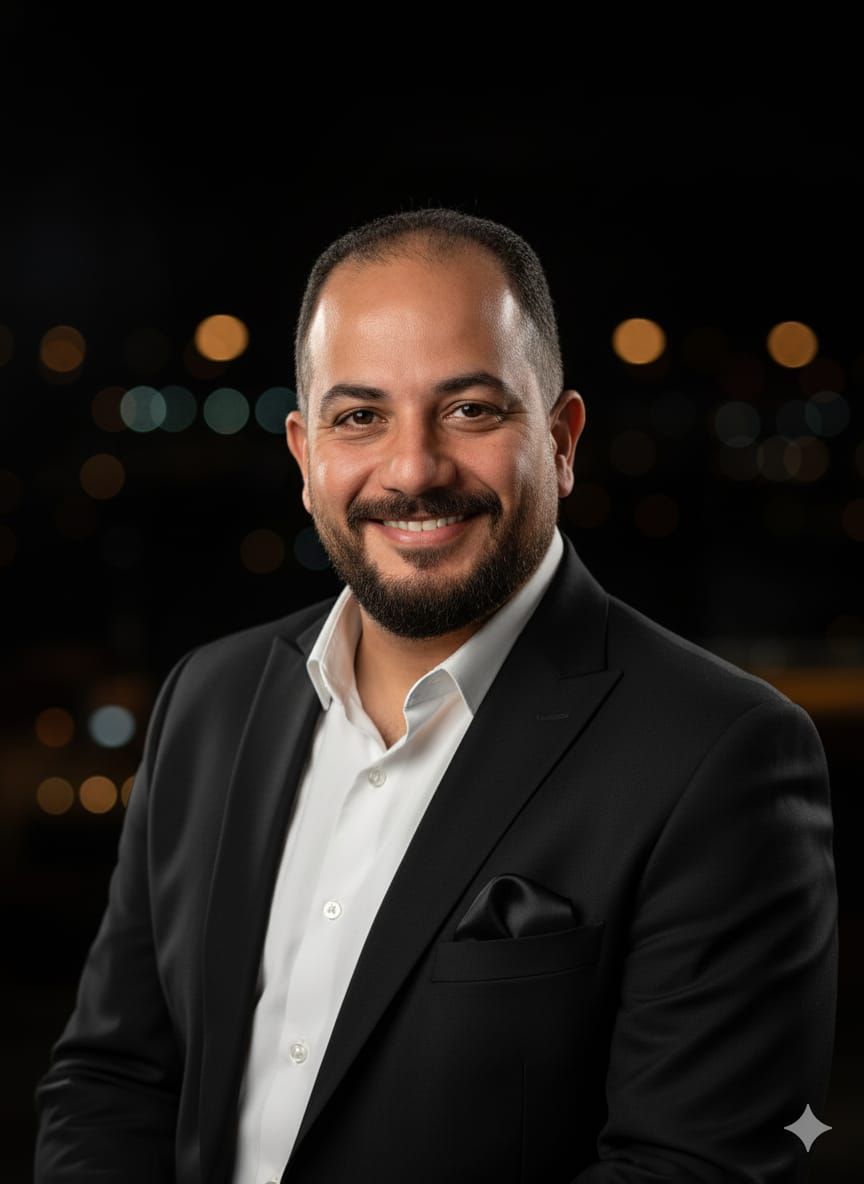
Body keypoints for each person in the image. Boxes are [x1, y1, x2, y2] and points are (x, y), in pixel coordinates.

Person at [34, 207, 838, 1183]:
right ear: (304, 456)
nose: (413, 469)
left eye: (470, 410)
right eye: (360, 417)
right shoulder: (208, 700)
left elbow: (692, 1167)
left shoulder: (723, 753)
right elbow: (113, 1077)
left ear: (562, 440)